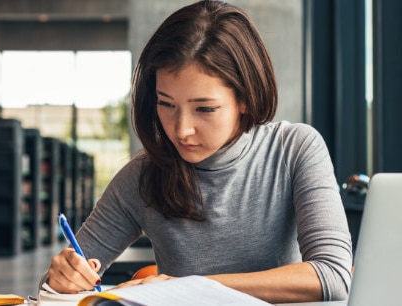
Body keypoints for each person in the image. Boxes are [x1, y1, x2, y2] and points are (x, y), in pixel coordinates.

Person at [44, 0, 352, 303]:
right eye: (166, 104)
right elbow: (56, 287)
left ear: (245, 98)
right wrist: (61, 279)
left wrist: (187, 287)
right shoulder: (141, 176)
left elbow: (333, 276)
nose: (181, 130)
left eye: (204, 108)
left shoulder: (294, 149)